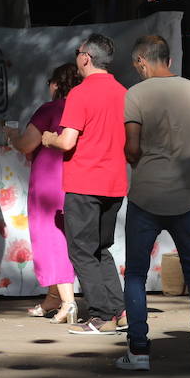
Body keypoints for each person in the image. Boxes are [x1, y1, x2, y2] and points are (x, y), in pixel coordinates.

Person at [115, 35, 190, 373]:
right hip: (187, 197)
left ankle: (139, 351)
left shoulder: (135, 95)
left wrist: (143, 163)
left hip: (146, 196)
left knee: (135, 273)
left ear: (141, 62)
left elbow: (131, 148)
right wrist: (188, 158)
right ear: (169, 59)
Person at [41, 33, 128, 337]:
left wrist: (48, 138)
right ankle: (118, 310)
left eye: (77, 52)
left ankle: (103, 316)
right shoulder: (123, 92)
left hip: (85, 182)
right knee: (101, 249)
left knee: (81, 251)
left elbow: (66, 141)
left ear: (86, 58)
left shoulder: (80, 93)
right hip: (115, 183)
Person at [11, 62, 81, 324]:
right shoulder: (81, 109)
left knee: (51, 240)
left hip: (48, 184)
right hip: (74, 181)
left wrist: (11, 137)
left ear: (55, 84)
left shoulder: (50, 109)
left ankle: (69, 302)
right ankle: (53, 297)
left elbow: (27, 143)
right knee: (65, 238)